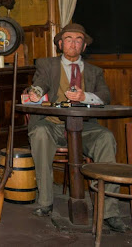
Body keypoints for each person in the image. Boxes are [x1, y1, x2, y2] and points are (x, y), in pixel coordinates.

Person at [26, 23, 127, 232]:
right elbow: (40, 83)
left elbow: (105, 96)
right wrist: (35, 92)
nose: (73, 43)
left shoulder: (94, 71)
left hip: (85, 128)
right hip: (52, 125)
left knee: (106, 138)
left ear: (84, 46)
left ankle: (109, 212)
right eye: (68, 39)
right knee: (40, 133)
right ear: (60, 44)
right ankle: (45, 202)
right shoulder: (47, 65)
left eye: (78, 40)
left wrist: (85, 96)